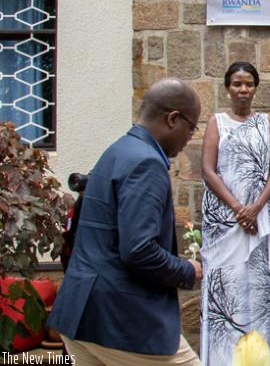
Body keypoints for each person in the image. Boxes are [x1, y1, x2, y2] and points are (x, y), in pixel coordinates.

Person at [48, 78, 203, 365]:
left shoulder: (116, 151)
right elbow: (138, 250)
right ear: (172, 119)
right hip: (120, 320)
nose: (190, 138)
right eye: (191, 128)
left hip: (80, 316)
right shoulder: (147, 164)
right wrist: (186, 270)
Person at [199, 61, 270, 365]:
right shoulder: (217, 123)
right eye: (237, 83)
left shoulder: (266, 123)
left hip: (259, 222)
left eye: (249, 83)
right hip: (226, 223)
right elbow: (208, 171)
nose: (243, 89)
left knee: (260, 292)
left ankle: (261, 358)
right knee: (229, 289)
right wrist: (239, 210)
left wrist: (257, 207)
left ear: (255, 87)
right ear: (227, 87)